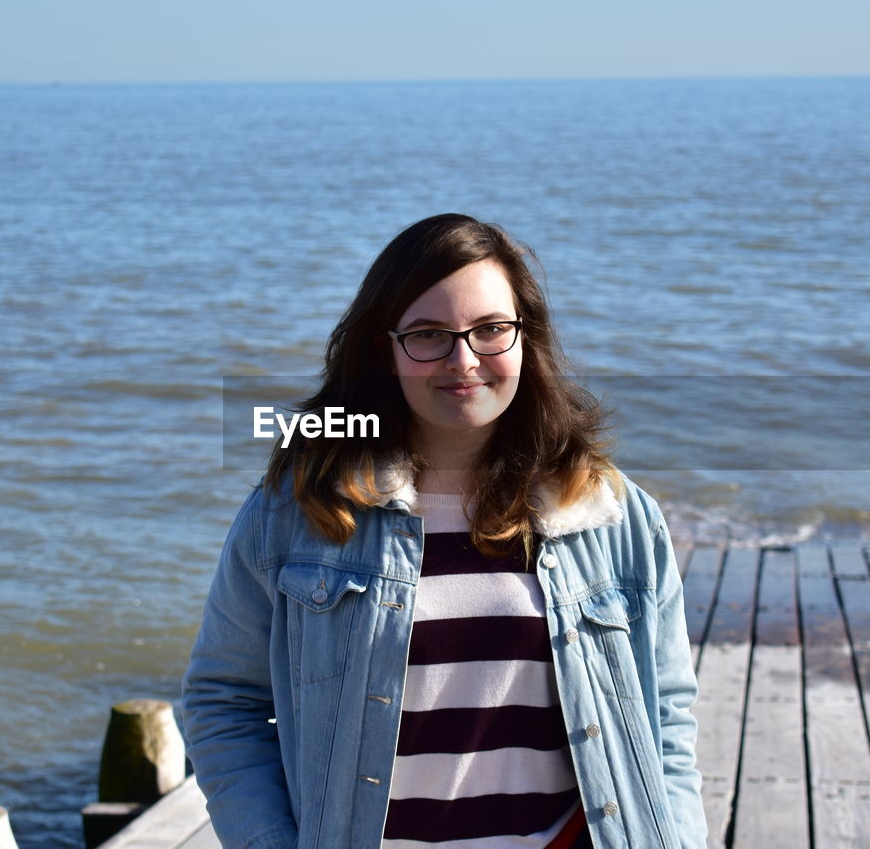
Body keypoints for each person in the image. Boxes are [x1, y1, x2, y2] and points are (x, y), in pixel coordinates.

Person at [182, 214, 706, 848]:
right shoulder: (294, 515)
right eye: (429, 334)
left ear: (525, 339)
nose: (464, 360)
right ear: (385, 349)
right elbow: (226, 704)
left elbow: (667, 718)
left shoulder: (611, 515)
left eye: (490, 330)